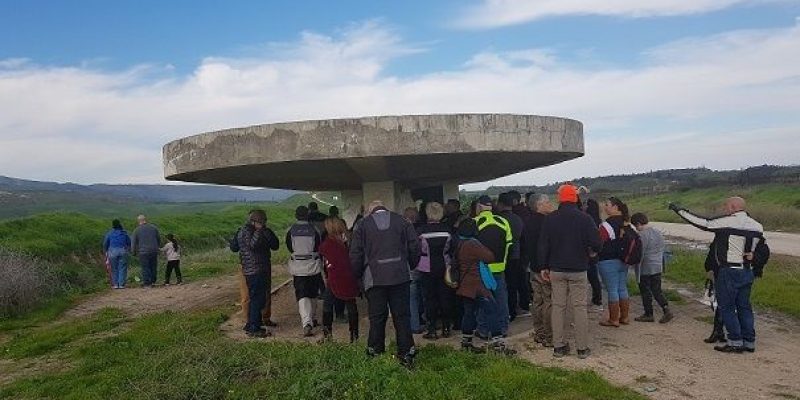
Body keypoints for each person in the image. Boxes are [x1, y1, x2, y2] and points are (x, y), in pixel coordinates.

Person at [669, 197, 764, 353]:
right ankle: (749, 342)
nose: (724, 209)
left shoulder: (728, 222)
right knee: (744, 307)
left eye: (726, 206)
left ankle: (735, 341)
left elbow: (704, 223)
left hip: (729, 271)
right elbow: (761, 249)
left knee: (726, 307)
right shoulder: (757, 226)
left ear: (733, 207)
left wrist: (680, 210)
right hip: (747, 270)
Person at [350, 200, 420, 368]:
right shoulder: (403, 221)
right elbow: (414, 246)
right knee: (402, 317)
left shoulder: (362, 225)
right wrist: (411, 264)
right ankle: (406, 354)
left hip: (374, 279)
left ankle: (375, 353)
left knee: (377, 317)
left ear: (370, 211)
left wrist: (357, 275)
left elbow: (355, 253)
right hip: (400, 277)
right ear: (385, 209)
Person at [538, 184, 602, 359]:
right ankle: (582, 348)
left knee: (558, 307)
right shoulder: (585, 218)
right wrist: (591, 252)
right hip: (578, 269)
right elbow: (597, 242)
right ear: (575, 198)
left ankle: (559, 347)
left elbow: (543, 245)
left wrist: (543, 266)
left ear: (560, 199)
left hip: (556, 270)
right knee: (579, 307)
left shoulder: (550, 219)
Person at [473, 195, 512, 350]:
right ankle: (503, 328)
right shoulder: (503, 222)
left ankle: (483, 330)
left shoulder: (475, 223)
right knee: (501, 299)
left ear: (479, 207)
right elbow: (509, 245)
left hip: (482, 269)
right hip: (500, 267)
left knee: (484, 301)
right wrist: (503, 262)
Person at [454, 219, 497, 352]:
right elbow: (490, 257)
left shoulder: (459, 242)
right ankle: (497, 342)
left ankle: (466, 342)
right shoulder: (472, 244)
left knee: (468, 313)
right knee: (492, 310)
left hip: (465, 284)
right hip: (477, 285)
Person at [416, 202, 456, 339]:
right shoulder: (448, 230)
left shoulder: (421, 231)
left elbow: (416, 250)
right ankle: (446, 328)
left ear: (427, 213)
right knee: (445, 297)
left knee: (429, 299)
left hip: (426, 268)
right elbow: (452, 249)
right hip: (445, 267)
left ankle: (432, 329)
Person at [238, 209, 280, 338]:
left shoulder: (243, 230)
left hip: (254, 269)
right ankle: (254, 328)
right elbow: (253, 246)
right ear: (256, 221)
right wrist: (260, 230)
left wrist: (265, 232)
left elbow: (275, 245)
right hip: (255, 270)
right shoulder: (248, 231)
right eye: (263, 221)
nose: (265, 223)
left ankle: (251, 323)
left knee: (256, 298)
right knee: (257, 299)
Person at [319, 217, 360, 343]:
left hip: (334, 277)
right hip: (350, 276)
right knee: (351, 303)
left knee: (327, 305)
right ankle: (354, 335)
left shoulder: (328, 243)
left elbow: (324, 258)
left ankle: (327, 335)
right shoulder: (349, 239)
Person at [286, 206, 325, 337]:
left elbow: (290, 247)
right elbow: (318, 246)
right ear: (308, 215)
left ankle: (306, 323)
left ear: (296, 215)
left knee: (302, 295)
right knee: (313, 293)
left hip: (298, 267)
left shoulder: (291, 230)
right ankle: (312, 318)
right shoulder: (315, 230)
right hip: (313, 265)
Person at [521, 194, 553, 346]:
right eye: (547, 202)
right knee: (549, 301)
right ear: (539, 205)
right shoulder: (547, 222)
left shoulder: (527, 222)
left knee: (537, 300)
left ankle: (538, 332)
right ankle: (549, 335)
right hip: (545, 268)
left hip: (533, 266)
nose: (550, 204)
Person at [631, 213, 673, 323]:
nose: (636, 228)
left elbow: (640, 252)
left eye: (636, 226)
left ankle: (648, 313)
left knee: (645, 291)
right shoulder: (657, 232)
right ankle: (666, 309)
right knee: (657, 290)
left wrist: (632, 263)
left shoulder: (641, 235)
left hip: (646, 267)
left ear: (639, 224)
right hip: (657, 265)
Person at [597, 197, 631, 327]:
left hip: (607, 261)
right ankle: (625, 317)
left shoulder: (607, 225)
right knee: (622, 288)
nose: (605, 207)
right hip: (624, 260)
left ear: (615, 207)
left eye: (607, 205)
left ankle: (613, 319)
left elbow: (599, 242)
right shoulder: (626, 223)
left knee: (612, 290)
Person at [496, 192, 529, 320]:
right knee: (514, 284)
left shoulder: (498, 219)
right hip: (516, 255)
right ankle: (514, 309)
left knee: (502, 285)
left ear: (500, 204)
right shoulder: (518, 219)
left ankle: (506, 311)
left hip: (500, 256)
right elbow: (523, 239)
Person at [403, 206, 425, 334]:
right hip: (421, 266)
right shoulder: (420, 229)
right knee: (421, 295)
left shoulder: (402, 229)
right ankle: (421, 321)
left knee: (411, 297)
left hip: (410, 266)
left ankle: (414, 325)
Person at [131, 215, 161, 288]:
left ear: (139, 221)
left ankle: (147, 283)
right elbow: (158, 239)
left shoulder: (136, 230)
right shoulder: (154, 228)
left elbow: (133, 243)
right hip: (154, 250)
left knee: (145, 267)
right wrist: (157, 247)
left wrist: (133, 252)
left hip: (143, 252)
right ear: (145, 220)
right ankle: (153, 281)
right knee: (153, 266)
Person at [584, 199, 604, 307]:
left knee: (590, 277)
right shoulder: (598, 221)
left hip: (588, 252)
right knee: (594, 278)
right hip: (594, 253)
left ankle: (596, 299)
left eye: (585, 204)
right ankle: (597, 298)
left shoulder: (586, 220)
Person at [103, 219, 131, 289]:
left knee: (114, 268)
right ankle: (121, 284)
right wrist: (127, 249)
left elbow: (105, 244)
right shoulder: (124, 233)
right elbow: (129, 242)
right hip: (123, 250)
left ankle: (115, 284)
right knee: (122, 267)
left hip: (112, 252)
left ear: (113, 225)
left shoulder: (109, 233)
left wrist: (106, 251)